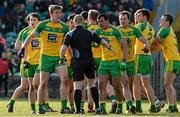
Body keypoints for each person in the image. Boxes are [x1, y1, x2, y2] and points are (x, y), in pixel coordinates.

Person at [18, 5, 71, 114]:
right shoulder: (43, 24)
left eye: (60, 12)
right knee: (42, 83)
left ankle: (64, 107)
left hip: (58, 57)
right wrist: (23, 48)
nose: (59, 15)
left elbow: (69, 42)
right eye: (56, 12)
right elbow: (31, 36)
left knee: (65, 79)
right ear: (51, 14)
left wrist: (73, 54)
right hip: (45, 57)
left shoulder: (64, 27)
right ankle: (41, 106)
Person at [60, 14, 112, 114]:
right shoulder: (90, 32)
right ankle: (97, 108)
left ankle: (78, 110)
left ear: (74, 22)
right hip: (89, 62)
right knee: (92, 84)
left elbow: (63, 49)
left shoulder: (70, 34)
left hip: (77, 62)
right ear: (83, 22)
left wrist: (61, 58)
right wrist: (109, 47)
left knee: (77, 86)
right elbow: (102, 42)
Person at [96, 13, 135, 114]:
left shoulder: (115, 30)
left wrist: (124, 61)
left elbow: (125, 46)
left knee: (116, 86)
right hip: (104, 62)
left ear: (107, 20)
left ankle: (119, 106)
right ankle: (102, 108)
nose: (100, 23)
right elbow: (92, 41)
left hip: (115, 62)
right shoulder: (98, 31)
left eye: (102, 21)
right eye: (98, 21)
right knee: (101, 84)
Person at [118, 10, 149, 113]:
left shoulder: (134, 30)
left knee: (130, 85)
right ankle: (131, 106)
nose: (122, 21)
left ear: (129, 20)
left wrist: (146, 46)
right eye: (121, 19)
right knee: (125, 83)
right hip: (121, 61)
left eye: (124, 19)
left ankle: (128, 107)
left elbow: (144, 40)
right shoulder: (116, 30)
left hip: (132, 61)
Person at [134, 8, 164, 112]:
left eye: (139, 15)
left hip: (139, 55)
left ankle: (138, 108)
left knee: (135, 83)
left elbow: (130, 36)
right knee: (146, 84)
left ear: (145, 17)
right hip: (148, 57)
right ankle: (153, 106)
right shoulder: (151, 27)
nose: (137, 17)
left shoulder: (139, 25)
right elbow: (158, 41)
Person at [156, 14, 180, 113]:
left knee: (167, 84)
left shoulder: (164, 29)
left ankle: (171, 107)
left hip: (171, 60)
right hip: (176, 60)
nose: (159, 21)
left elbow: (157, 39)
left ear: (167, 22)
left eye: (162, 20)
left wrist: (151, 34)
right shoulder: (170, 30)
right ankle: (173, 106)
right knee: (170, 84)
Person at [66, 13, 76, 112]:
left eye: (74, 22)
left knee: (78, 86)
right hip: (68, 63)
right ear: (68, 23)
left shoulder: (79, 33)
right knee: (69, 87)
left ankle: (79, 107)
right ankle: (71, 107)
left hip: (77, 63)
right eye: (71, 22)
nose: (73, 24)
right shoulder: (66, 33)